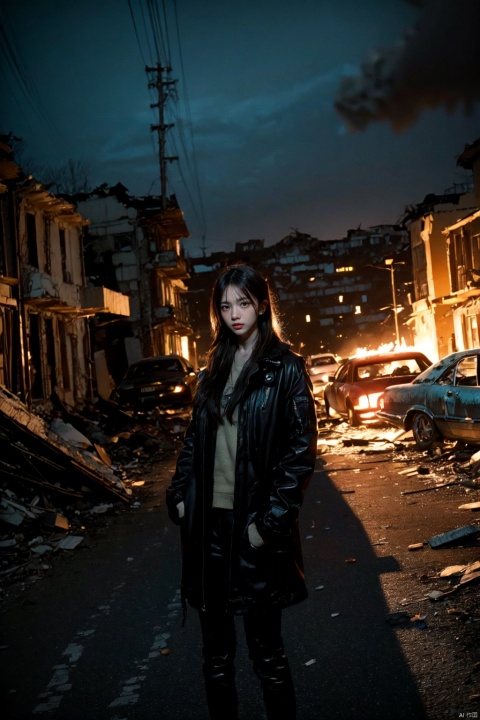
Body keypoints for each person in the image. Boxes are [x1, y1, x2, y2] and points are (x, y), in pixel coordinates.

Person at [166, 263, 318, 720]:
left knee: (267, 655)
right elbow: (195, 439)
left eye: (243, 303)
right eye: (225, 305)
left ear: (262, 304)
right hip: (209, 528)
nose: (234, 314)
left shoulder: (286, 368)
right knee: (215, 660)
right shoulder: (213, 367)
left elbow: (300, 452)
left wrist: (270, 523)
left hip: (254, 531)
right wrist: (179, 494)